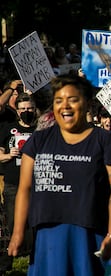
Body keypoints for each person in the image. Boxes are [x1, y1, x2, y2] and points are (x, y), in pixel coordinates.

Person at [7, 74, 111, 275]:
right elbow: (25, 188)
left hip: (94, 236)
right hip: (48, 240)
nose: (65, 106)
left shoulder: (107, 142)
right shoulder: (38, 141)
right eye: (59, 100)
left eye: (72, 100)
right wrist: (18, 232)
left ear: (88, 104)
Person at [0, 93, 37, 274]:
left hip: (37, 185)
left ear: (35, 109)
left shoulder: (41, 130)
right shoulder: (8, 129)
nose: (26, 111)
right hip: (13, 185)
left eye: (29, 108)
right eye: (23, 109)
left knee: (37, 223)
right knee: (14, 223)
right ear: (17, 111)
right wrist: (9, 155)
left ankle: (34, 261)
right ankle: (9, 264)